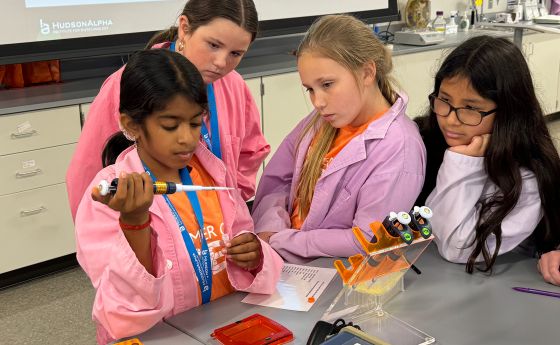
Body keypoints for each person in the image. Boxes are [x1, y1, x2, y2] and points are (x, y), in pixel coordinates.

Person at [74, 49, 283, 344]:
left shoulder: (212, 173)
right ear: (133, 125)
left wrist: (254, 256)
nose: (187, 138)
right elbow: (122, 311)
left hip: (220, 326)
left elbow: (242, 236)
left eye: (196, 123)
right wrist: (134, 223)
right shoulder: (111, 196)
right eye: (170, 126)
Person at [66, 0, 269, 220]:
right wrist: (109, 235)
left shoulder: (233, 85)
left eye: (236, 54)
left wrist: (231, 200)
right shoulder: (127, 85)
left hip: (214, 229)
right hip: (149, 235)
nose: (221, 63)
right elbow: (87, 178)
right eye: (213, 45)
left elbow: (252, 150)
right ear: (184, 28)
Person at [251, 15, 426, 264]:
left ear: (367, 72)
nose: (318, 102)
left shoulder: (400, 146)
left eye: (327, 84)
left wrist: (282, 240)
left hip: (332, 273)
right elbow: (278, 181)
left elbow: (368, 239)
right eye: (310, 89)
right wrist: (271, 226)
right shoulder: (321, 121)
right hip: (281, 258)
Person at [415, 35, 560, 274]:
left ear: (507, 113)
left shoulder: (528, 176)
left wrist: (462, 163)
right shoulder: (426, 139)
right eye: (444, 100)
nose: (451, 120)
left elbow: (456, 248)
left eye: (471, 108)